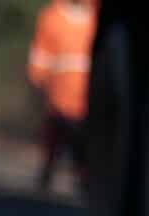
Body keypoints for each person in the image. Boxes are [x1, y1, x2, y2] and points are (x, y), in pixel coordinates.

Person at [27, 0, 97, 191]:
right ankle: (47, 172)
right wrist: (37, 79)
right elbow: (41, 54)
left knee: (81, 141)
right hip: (59, 95)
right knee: (54, 135)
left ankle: (83, 177)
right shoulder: (52, 17)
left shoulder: (97, 14)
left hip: (87, 98)